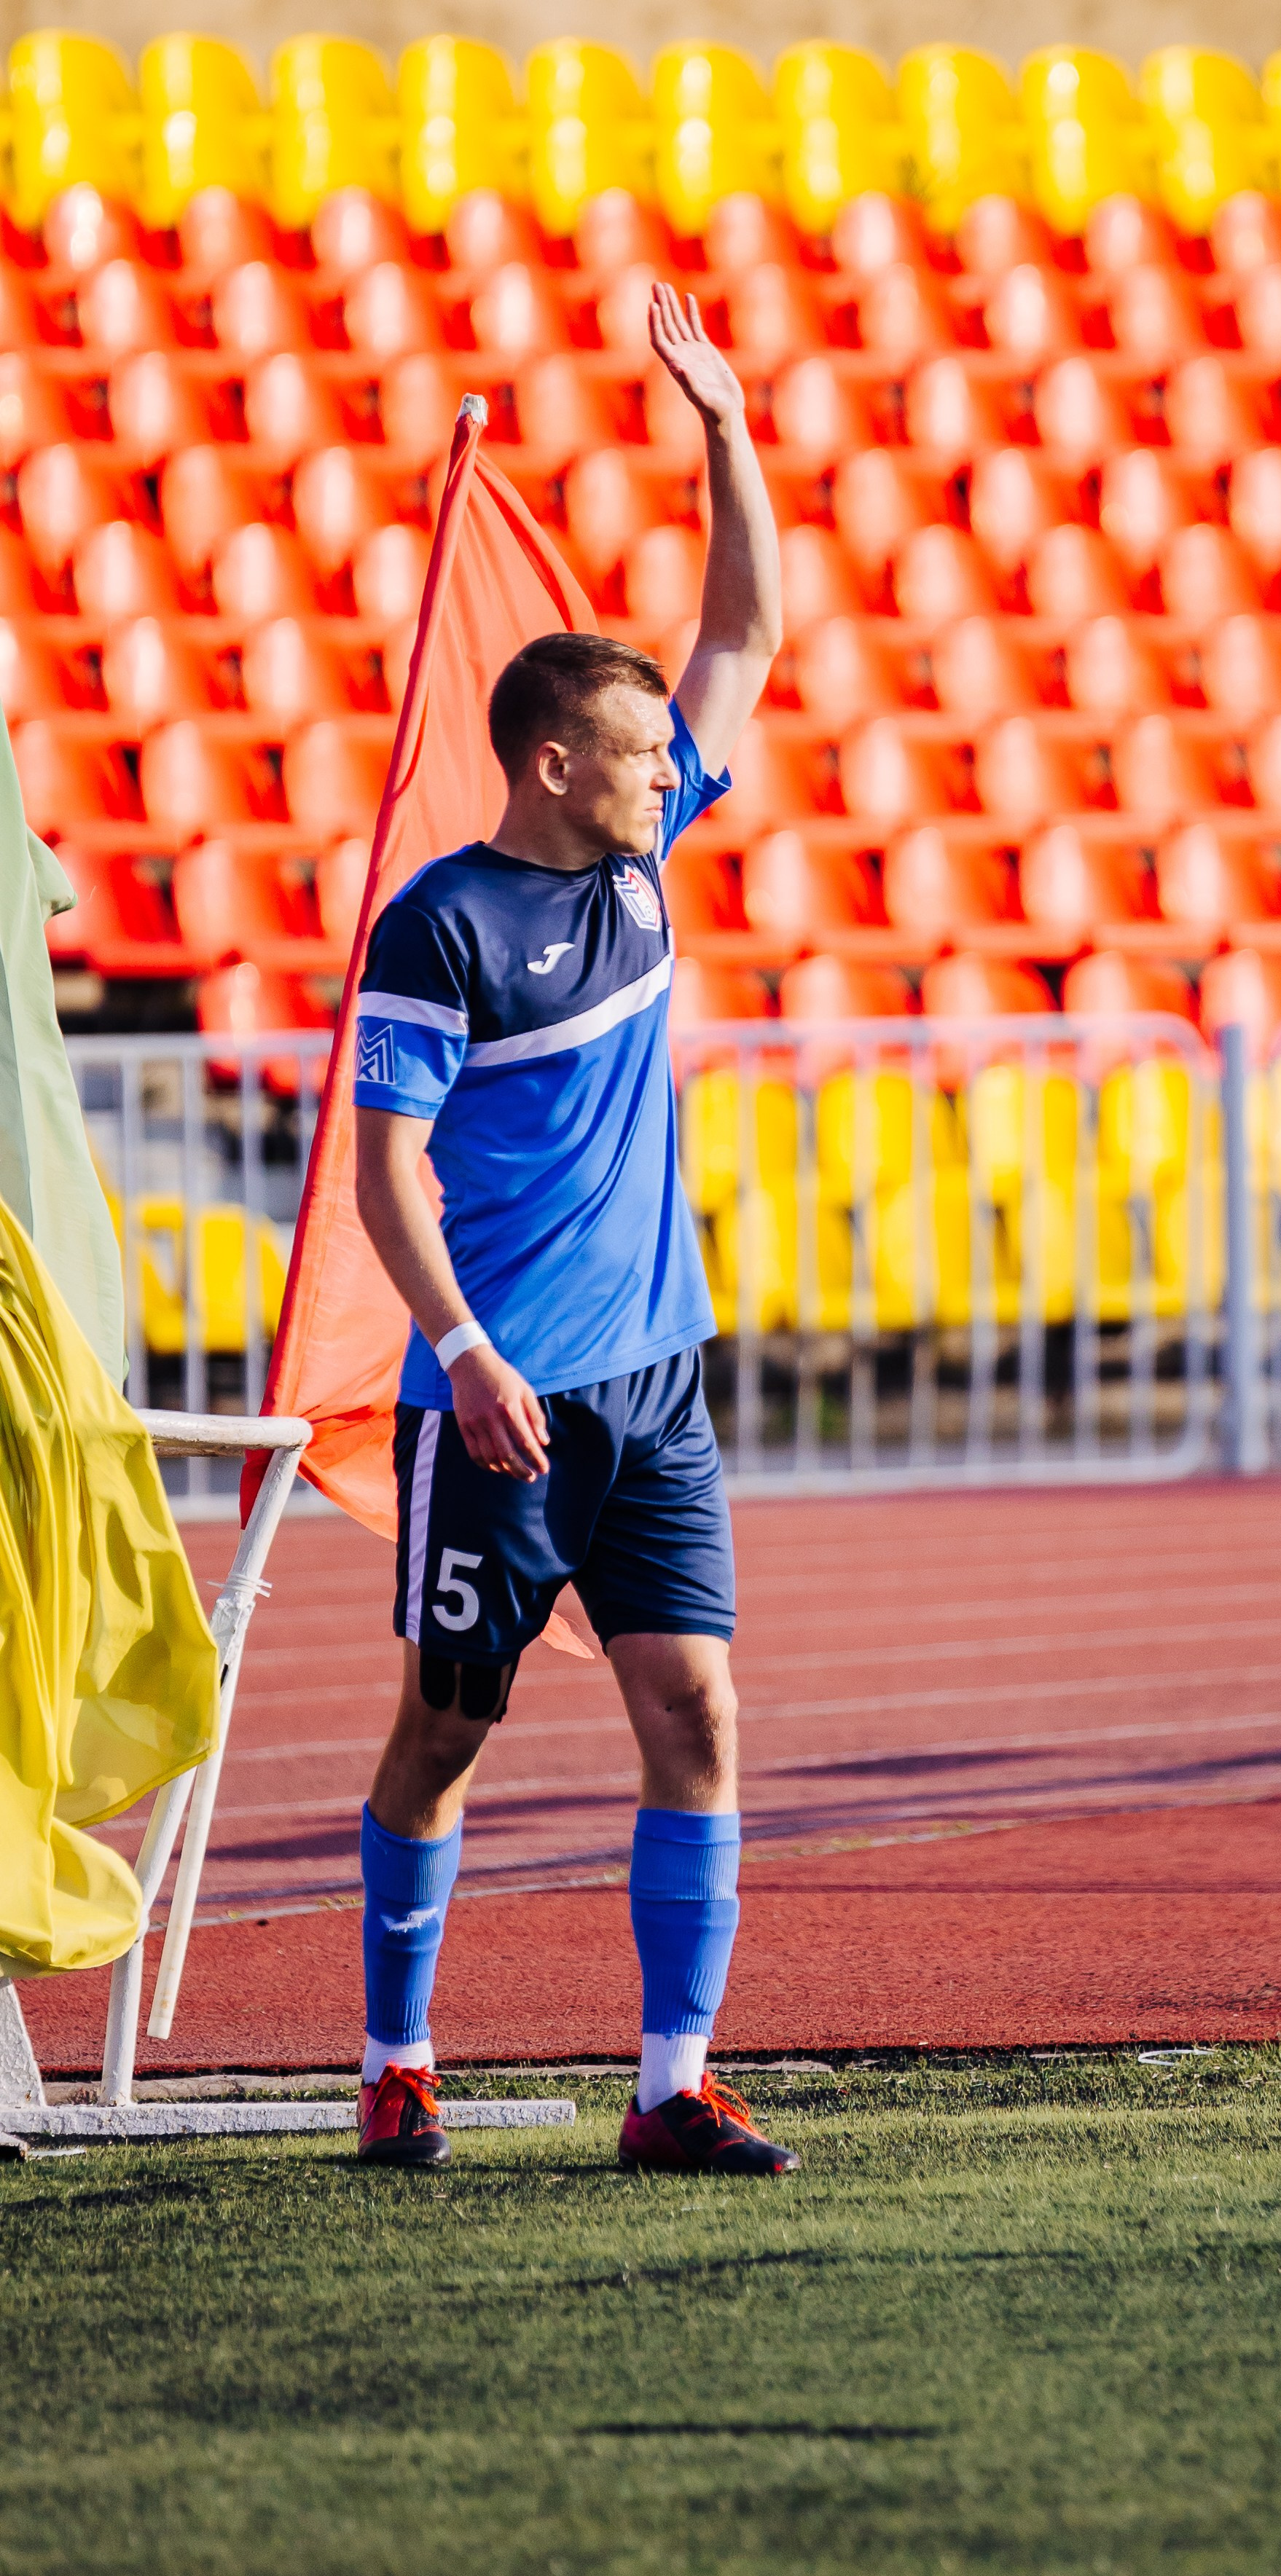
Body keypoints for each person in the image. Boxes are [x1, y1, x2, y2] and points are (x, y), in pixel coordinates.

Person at [347, 283, 793, 2174]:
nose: (665, 769)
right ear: (549, 764)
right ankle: (395, 2058)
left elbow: (748, 630)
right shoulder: (442, 928)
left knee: (693, 1707)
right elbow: (382, 1167)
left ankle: (668, 2085)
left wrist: (725, 423)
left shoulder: (641, 859)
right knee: (448, 1730)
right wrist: (463, 1353)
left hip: (655, 1390)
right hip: (498, 1402)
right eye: (631, 753)